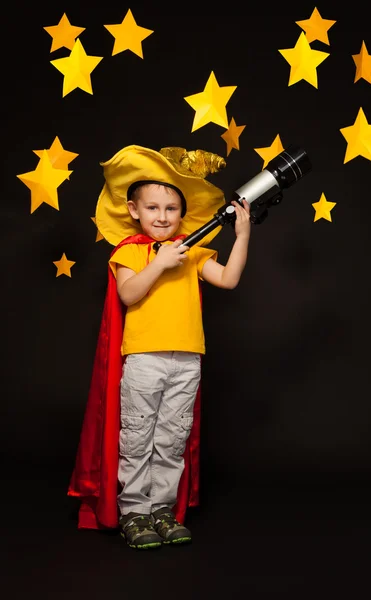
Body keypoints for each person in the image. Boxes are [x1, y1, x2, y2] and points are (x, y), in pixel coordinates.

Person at [68, 144, 251, 550]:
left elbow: (229, 279)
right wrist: (159, 263)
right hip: (144, 360)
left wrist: (242, 236)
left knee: (172, 438)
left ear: (182, 214)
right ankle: (134, 511)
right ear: (134, 210)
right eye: (153, 208)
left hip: (186, 359)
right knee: (137, 438)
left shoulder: (193, 252)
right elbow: (129, 294)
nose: (162, 217)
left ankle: (162, 509)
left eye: (170, 209)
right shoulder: (130, 252)